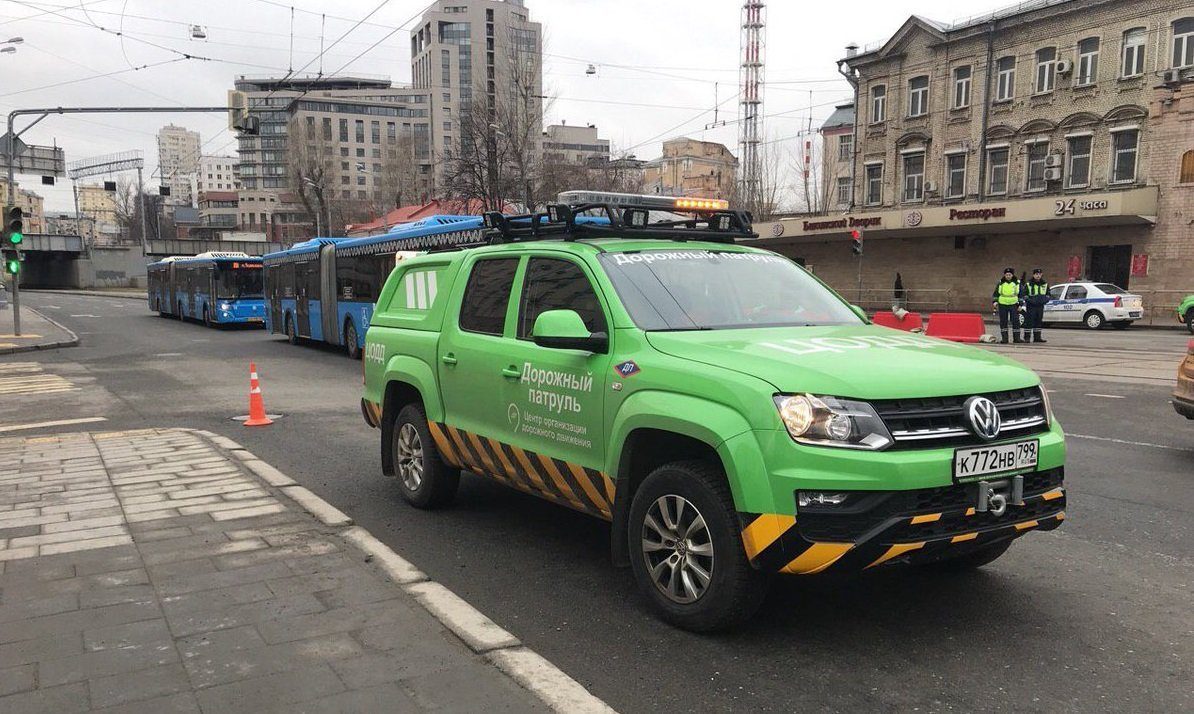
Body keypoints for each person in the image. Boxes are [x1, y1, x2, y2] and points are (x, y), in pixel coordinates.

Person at [992, 267, 1024, 344]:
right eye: (1006, 275)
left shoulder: (1017, 283)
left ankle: (1016, 338)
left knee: (1015, 321)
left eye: (1009, 275)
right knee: (1003, 321)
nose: (1008, 276)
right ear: (1004, 275)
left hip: (1013, 304)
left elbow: (1021, 294)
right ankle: (1004, 339)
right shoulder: (1001, 283)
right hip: (1002, 304)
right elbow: (996, 293)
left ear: (1012, 275)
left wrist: (1020, 304)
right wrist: (995, 301)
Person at [1021, 268, 1049, 343]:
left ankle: (1037, 337)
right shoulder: (1028, 284)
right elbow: (1025, 295)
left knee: (1038, 321)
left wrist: (1044, 301)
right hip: (1031, 306)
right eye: (1036, 274)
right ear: (1033, 275)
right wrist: (1031, 301)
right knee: (1029, 322)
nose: (1038, 276)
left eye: (1039, 274)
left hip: (1040, 306)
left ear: (1041, 275)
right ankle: (1027, 338)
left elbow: (1048, 295)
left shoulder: (1045, 284)